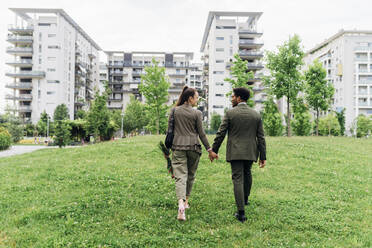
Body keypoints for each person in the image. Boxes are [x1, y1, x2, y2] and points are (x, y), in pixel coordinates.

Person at [209, 87, 266, 223]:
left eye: (233, 96)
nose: (232, 98)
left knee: (237, 179)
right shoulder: (256, 115)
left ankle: (241, 213)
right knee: (247, 174)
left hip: (235, 151)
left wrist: (214, 150)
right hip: (251, 151)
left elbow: (221, 133)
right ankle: (245, 200)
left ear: (239, 98)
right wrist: (263, 156)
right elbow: (261, 137)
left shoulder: (230, 113)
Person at [168, 86, 217, 221]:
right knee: (190, 175)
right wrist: (209, 150)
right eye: (196, 97)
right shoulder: (197, 114)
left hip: (178, 147)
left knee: (180, 177)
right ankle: (186, 202)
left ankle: (180, 203)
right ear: (190, 98)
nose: (197, 100)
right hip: (194, 148)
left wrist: (167, 149)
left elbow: (169, 132)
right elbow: (201, 134)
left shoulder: (174, 111)